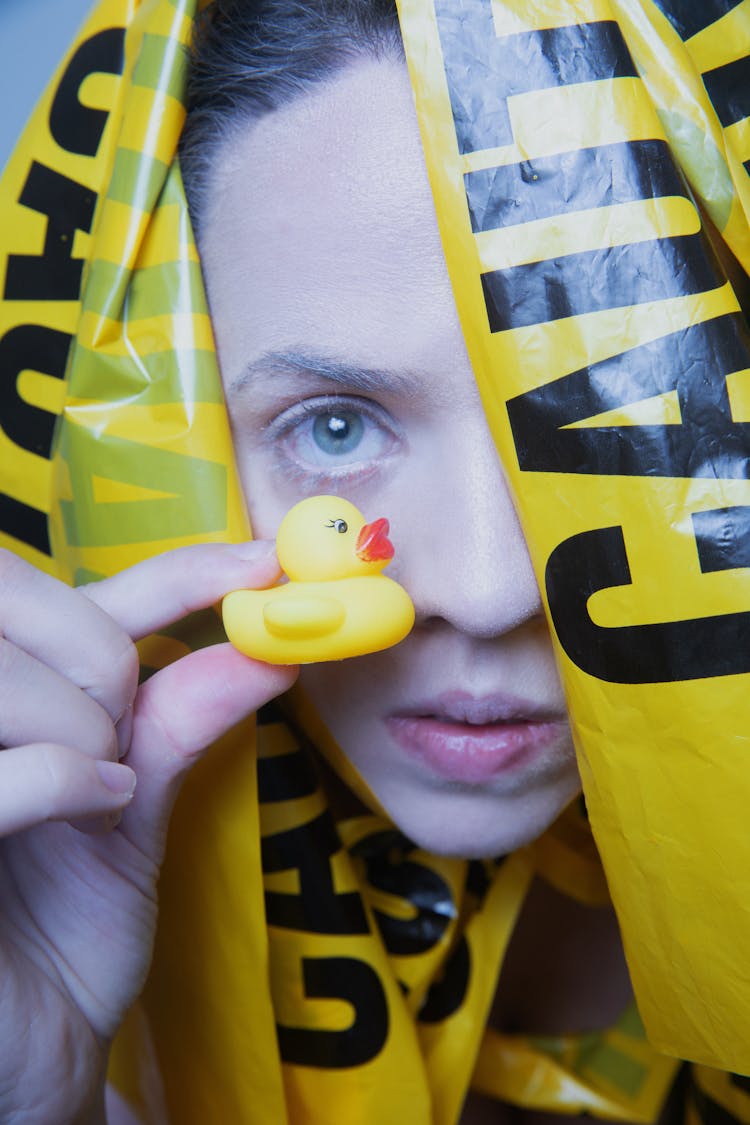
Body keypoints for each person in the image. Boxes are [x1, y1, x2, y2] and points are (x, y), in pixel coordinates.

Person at [0, 0, 747, 1121]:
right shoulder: (44, 917)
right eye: (336, 427)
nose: (489, 591)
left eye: (620, 413)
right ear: (170, 446)